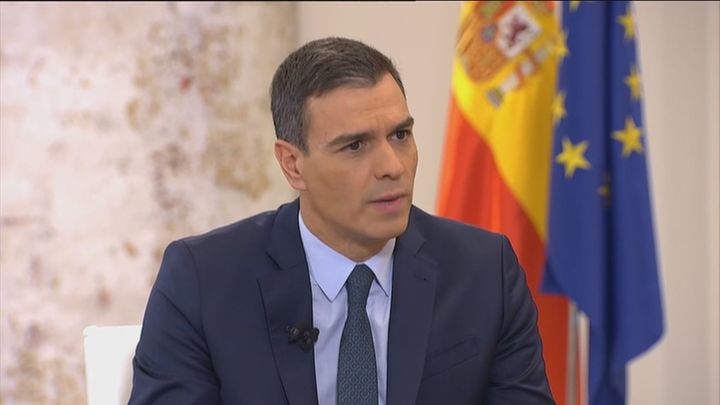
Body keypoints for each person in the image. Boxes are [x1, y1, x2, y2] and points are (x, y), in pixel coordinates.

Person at [129, 37, 554, 405]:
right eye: (355, 146)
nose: (392, 167)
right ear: (292, 164)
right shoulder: (203, 281)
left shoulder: (484, 272)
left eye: (400, 135)